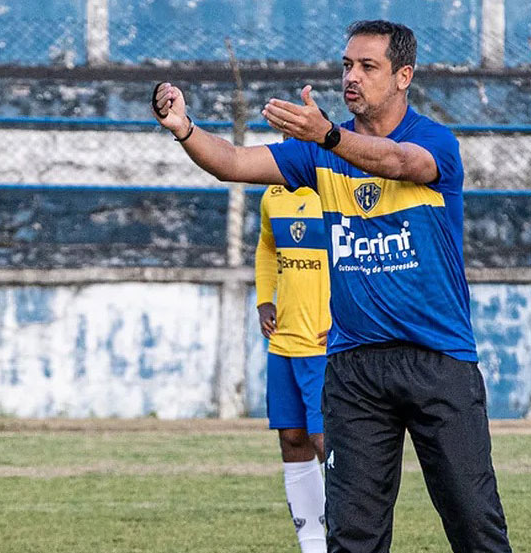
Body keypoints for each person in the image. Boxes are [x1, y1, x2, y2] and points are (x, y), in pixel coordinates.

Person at [152, 19, 512, 553]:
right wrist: (184, 126)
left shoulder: (432, 141)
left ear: (403, 76)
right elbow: (231, 162)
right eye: (348, 65)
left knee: (475, 528)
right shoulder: (317, 151)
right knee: (352, 538)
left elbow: (396, 162)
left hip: (438, 361)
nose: (353, 76)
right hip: (354, 369)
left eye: (369, 67)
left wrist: (327, 135)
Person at [254, 181, 331, 553]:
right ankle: (313, 547)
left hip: (323, 343)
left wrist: (345, 318)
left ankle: (353, 539)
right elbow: (267, 246)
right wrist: (263, 300)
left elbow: (355, 253)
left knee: (326, 442)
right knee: (292, 438)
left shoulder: (332, 185)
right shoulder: (272, 193)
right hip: (282, 339)